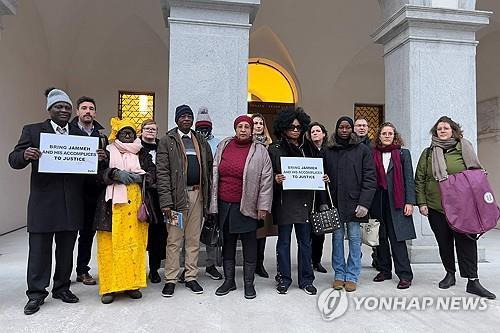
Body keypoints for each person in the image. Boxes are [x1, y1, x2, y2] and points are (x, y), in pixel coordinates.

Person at [9, 88, 89, 315]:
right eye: (58, 107)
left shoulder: (80, 135)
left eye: (66, 107)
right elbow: (13, 159)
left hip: (71, 203)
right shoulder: (33, 131)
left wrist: (96, 159)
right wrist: (26, 155)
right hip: (43, 204)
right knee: (39, 251)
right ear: (50, 109)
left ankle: (62, 288)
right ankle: (35, 294)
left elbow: (88, 170)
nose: (63, 111)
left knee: (66, 250)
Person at [415, 116, 496, 299]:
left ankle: (472, 281)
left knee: (467, 241)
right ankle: (449, 274)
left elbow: (475, 176)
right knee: (444, 242)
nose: (442, 131)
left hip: (463, 207)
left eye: (446, 128)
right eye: (439, 129)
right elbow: (420, 179)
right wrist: (422, 202)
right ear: (435, 132)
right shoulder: (428, 153)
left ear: (454, 130)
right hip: (436, 206)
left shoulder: (464, 148)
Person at [209, 115, 273, 299]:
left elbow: (266, 181)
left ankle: (248, 283)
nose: (243, 129)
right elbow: (215, 171)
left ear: (252, 130)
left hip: (248, 205)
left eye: (247, 126)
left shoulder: (260, 151)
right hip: (224, 204)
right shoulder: (224, 145)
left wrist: (263, 206)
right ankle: (229, 281)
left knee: (249, 243)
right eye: (240, 126)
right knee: (228, 242)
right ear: (235, 128)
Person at [94, 118, 155, 304]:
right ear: (117, 135)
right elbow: (96, 175)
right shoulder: (106, 152)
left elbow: (153, 173)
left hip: (136, 204)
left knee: (134, 245)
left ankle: (132, 284)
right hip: (112, 207)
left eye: (130, 132)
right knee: (110, 247)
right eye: (123, 133)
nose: (127, 135)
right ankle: (109, 288)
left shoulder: (142, 153)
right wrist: (113, 174)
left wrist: (140, 178)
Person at [157, 104, 213, 297]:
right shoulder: (167, 141)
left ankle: (191, 277)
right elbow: (162, 173)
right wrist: (165, 202)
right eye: (183, 116)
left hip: (197, 195)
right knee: (173, 239)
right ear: (176, 119)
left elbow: (209, 168)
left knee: (193, 239)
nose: (187, 119)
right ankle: (171, 279)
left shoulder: (200, 140)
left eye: (189, 116)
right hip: (175, 199)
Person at [268, 107, 319, 295]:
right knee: (283, 243)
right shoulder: (274, 149)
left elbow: (317, 169)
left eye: (298, 127)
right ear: (283, 128)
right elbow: (267, 174)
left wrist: (322, 178)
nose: (295, 130)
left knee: (305, 243)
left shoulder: (309, 148)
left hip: (304, 202)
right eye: (291, 127)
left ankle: (306, 280)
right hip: (284, 202)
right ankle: (284, 278)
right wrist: (275, 178)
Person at [323, 116, 376, 292]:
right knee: (337, 239)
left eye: (347, 127)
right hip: (335, 202)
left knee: (354, 240)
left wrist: (364, 204)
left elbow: (370, 178)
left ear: (352, 129)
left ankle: (352, 275)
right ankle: (339, 274)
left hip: (356, 203)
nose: (344, 130)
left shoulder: (362, 150)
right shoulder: (328, 150)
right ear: (337, 129)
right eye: (341, 127)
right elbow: (321, 173)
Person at [370, 122, 416, 289]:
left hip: (397, 201)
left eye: (390, 133)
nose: (387, 136)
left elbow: (409, 179)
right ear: (379, 136)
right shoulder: (372, 153)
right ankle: (384, 270)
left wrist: (410, 202)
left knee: (398, 238)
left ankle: (405, 275)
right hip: (378, 200)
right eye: (384, 133)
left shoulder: (403, 154)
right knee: (380, 237)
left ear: (395, 135)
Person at [70, 96, 109, 286]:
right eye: (84, 108)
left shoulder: (101, 136)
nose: (87, 111)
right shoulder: (67, 132)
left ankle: (82, 270)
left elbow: (108, 163)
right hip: (71, 190)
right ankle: (61, 274)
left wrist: (104, 157)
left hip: (93, 191)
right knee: (67, 234)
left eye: (91, 108)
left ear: (95, 112)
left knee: (87, 234)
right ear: (77, 111)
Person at [193, 106, 223, 281]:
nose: (203, 131)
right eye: (200, 128)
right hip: (195, 191)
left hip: (212, 191)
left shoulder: (218, 143)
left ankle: (211, 265)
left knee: (211, 229)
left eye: (206, 128)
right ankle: (191, 266)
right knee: (191, 231)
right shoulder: (191, 141)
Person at [140, 119, 167, 284]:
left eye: (153, 129)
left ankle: (154, 269)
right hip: (141, 195)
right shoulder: (135, 147)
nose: (150, 131)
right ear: (141, 130)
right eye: (147, 128)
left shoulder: (162, 147)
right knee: (140, 233)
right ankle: (137, 269)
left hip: (159, 195)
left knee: (157, 234)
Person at [252, 113, 276, 278]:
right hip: (250, 192)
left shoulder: (270, 145)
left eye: (261, 123)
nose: (258, 125)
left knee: (263, 231)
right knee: (250, 231)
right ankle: (251, 262)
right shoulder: (247, 143)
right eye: (255, 123)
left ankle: (259, 264)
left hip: (266, 192)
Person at [354, 117, 380, 270]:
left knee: (374, 227)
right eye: (358, 125)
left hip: (373, 192)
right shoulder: (350, 145)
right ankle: (357, 259)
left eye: (364, 125)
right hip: (356, 194)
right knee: (356, 230)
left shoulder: (373, 146)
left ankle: (377, 258)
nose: (361, 128)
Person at [305, 122, 329, 274]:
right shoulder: (305, 150)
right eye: (312, 131)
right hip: (307, 196)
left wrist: (329, 177)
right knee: (306, 233)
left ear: (323, 134)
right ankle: (306, 262)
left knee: (319, 232)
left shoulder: (329, 151)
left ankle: (316, 261)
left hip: (323, 197)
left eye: (318, 131)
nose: (315, 133)